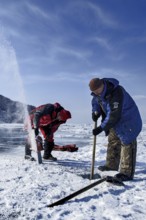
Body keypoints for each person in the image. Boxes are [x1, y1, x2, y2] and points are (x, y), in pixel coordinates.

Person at [89, 78, 142, 181]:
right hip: (115, 122)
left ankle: (126, 173)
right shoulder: (98, 93)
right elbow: (95, 101)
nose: (96, 93)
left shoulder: (116, 92)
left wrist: (101, 127)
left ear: (102, 86)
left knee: (127, 143)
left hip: (128, 121)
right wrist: (95, 112)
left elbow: (114, 114)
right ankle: (111, 165)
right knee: (113, 141)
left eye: (97, 91)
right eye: (94, 92)